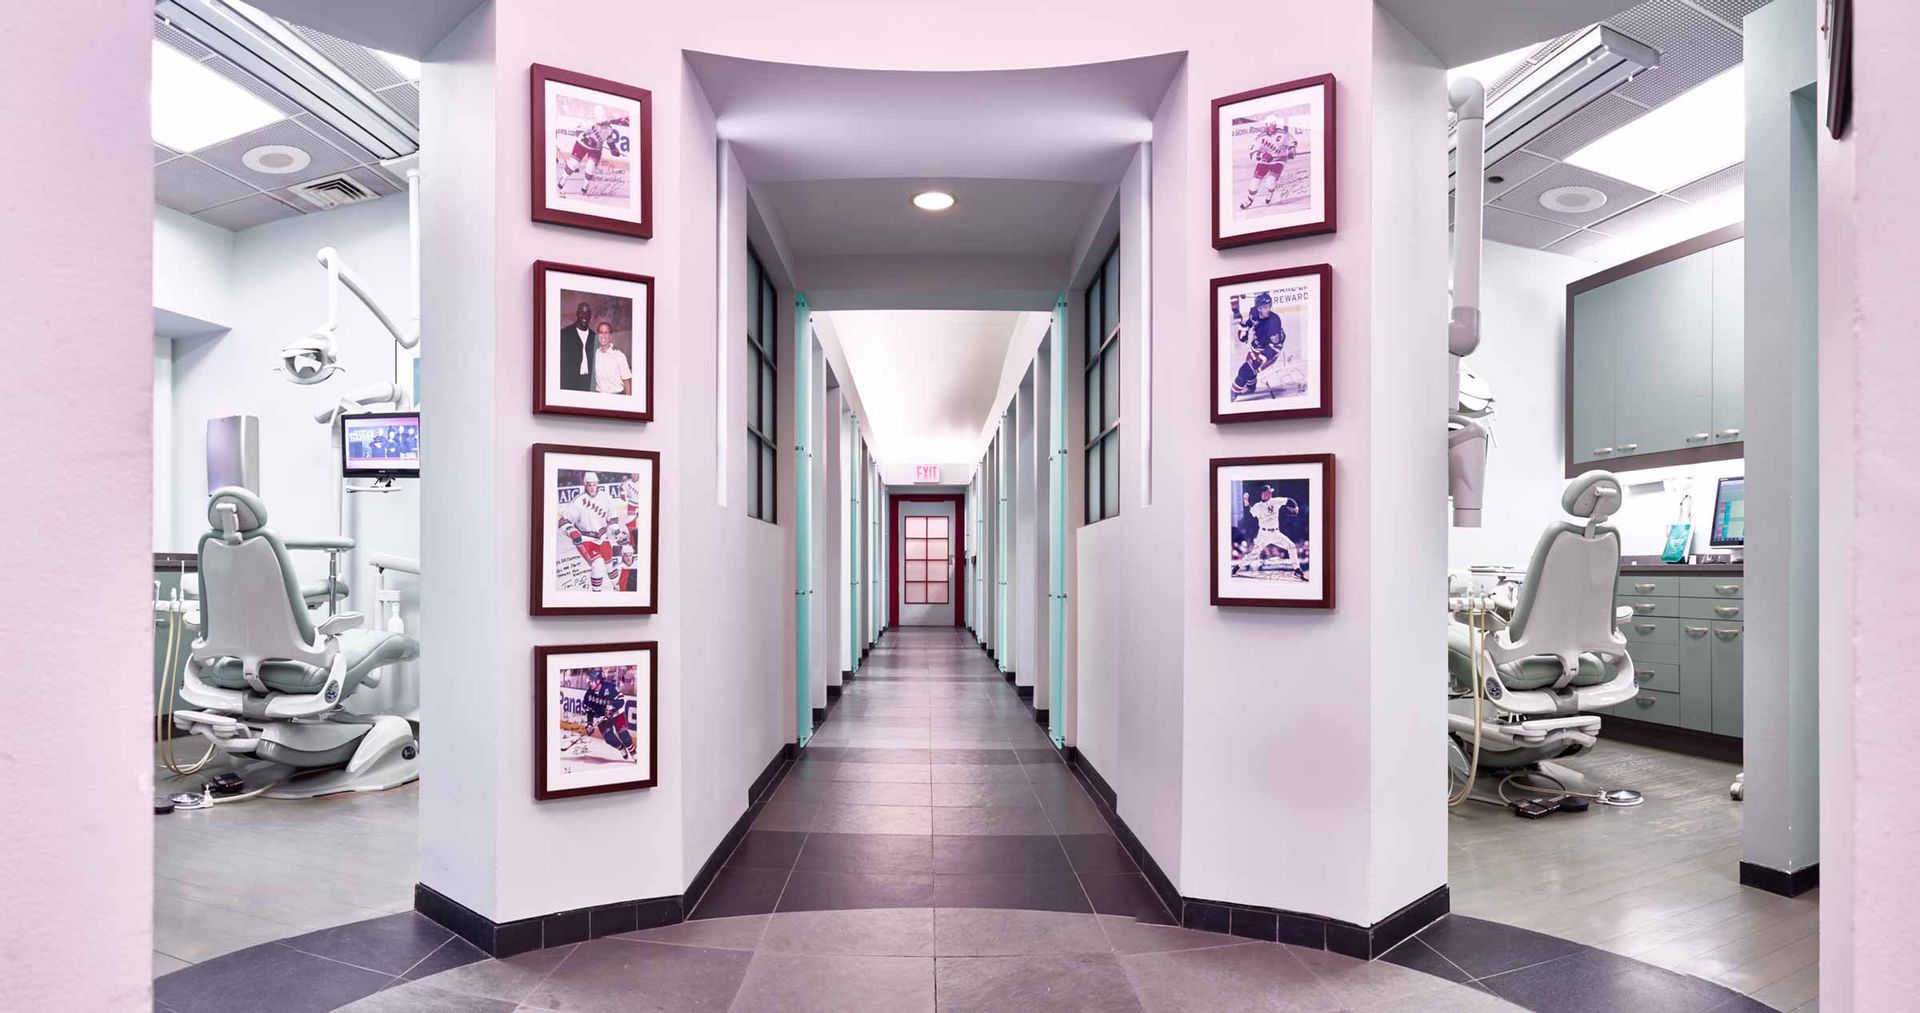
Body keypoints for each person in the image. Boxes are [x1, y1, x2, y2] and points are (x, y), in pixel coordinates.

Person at [558, 472, 632, 592]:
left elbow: (612, 519)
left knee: (610, 566)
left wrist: (618, 533)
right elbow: (563, 520)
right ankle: (596, 594)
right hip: (585, 539)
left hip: (602, 537)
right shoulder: (578, 501)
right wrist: (571, 531)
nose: (592, 488)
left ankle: (618, 588)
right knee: (598, 565)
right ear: (585, 485)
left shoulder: (605, 498)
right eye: (589, 485)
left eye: (594, 485)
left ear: (597, 484)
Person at [1234, 484, 1305, 576]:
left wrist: (1296, 507)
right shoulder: (1258, 506)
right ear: (1264, 494)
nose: (1271, 493)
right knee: (1253, 555)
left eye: (1270, 492)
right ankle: (1237, 567)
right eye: (1269, 492)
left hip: (1276, 533)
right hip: (1263, 534)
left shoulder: (1275, 501)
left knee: (1291, 546)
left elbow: (1289, 500)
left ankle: (1297, 569)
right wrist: (1246, 501)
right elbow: (1249, 511)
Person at [1231, 292, 1288, 399]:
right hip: (1256, 347)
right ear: (1259, 308)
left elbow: (1275, 346)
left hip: (1269, 352)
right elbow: (1250, 322)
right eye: (1265, 307)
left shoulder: (1274, 321)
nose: (1268, 309)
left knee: (1245, 371)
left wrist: (1261, 358)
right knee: (1250, 369)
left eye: (1269, 306)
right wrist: (1244, 330)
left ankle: (1232, 394)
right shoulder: (1253, 312)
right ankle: (1250, 388)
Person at [557, 114, 629, 196]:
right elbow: (578, 131)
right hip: (582, 145)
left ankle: (586, 184)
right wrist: (586, 139)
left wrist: (613, 149)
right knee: (574, 164)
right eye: (602, 121)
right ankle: (564, 177)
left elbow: (610, 140)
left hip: (596, 149)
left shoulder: (609, 129)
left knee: (591, 167)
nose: (604, 123)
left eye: (605, 121)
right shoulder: (590, 123)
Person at [1239, 115, 1297, 211]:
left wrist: (1292, 149)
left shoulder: (1283, 133)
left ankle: (1270, 192)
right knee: (1254, 183)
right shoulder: (1260, 137)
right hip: (1264, 162)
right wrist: (1263, 155)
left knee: (1270, 182)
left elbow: (1292, 141)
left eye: (1275, 123)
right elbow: (1252, 153)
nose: (1274, 125)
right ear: (1266, 124)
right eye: (1271, 124)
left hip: (1279, 160)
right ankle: (1249, 200)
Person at [579, 668, 635, 761]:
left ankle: (634, 753)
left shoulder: (610, 687)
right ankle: (621, 747)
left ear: (598, 681)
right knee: (609, 739)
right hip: (602, 718)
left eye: (591, 681)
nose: (589, 683)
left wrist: (612, 707)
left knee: (624, 736)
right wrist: (589, 723)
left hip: (616, 714)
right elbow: (589, 710)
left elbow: (621, 699)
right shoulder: (589, 694)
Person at [559, 301, 597, 392]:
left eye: (587, 313)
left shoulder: (594, 337)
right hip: (569, 382)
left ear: (590, 316)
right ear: (577, 314)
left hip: (589, 382)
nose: (584, 315)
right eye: (581, 312)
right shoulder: (565, 334)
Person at [591, 322, 633, 397]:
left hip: (617, 396)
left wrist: (628, 402)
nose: (603, 335)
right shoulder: (595, 353)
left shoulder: (619, 355)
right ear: (597, 335)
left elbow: (627, 381)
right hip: (599, 396)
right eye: (601, 332)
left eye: (606, 332)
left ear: (610, 336)